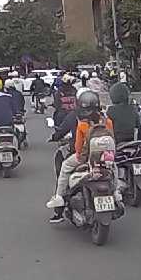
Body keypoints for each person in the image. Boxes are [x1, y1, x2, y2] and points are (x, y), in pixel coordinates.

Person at [46, 90, 113, 223]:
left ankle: (59, 198)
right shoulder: (107, 121)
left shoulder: (80, 122)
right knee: (113, 170)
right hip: (105, 157)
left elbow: (78, 147)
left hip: (85, 158)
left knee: (65, 167)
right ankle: (116, 194)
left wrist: (81, 156)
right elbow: (112, 139)